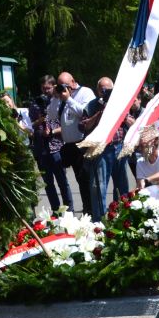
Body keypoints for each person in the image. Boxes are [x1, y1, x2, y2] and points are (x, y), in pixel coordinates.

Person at [80, 77, 134, 220]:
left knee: (122, 185)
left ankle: (122, 217)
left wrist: (122, 115)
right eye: (102, 90)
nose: (105, 92)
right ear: (98, 90)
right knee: (99, 187)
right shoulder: (92, 105)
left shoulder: (120, 104)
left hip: (119, 147)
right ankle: (100, 221)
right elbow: (83, 126)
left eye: (109, 90)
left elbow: (133, 123)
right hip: (101, 150)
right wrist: (100, 113)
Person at [48, 72, 95, 214]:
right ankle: (87, 209)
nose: (63, 88)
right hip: (69, 146)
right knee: (80, 180)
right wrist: (55, 97)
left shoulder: (85, 92)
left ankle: (92, 211)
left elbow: (85, 113)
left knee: (87, 180)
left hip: (83, 144)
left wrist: (68, 99)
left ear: (73, 82)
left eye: (65, 85)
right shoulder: (60, 97)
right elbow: (51, 115)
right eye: (60, 85)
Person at [30, 84, 74, 212]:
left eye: (48, 88)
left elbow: (66, 124)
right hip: (42, 151)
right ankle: (56, 212)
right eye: (43, 88)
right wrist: (40, 121)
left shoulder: (59, 103)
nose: (46, 91)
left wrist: (52, 132)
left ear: (54, 88)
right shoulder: (35, 105)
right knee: (48, 184)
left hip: (56, 149)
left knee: (62, 182)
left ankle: (69, 211)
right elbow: (30, 125)